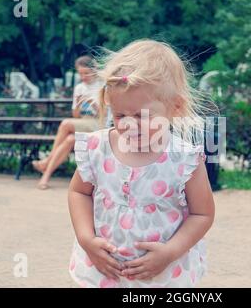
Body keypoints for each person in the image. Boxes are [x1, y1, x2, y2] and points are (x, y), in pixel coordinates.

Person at [67, 39, 216, 288]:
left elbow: (202, 213)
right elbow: (78, 192)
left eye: (141, 115)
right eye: (120, 115)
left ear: (175, 107)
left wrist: (170, 252)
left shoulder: (183, 158)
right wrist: (86, 239)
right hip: (105, 272)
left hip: (163, 276)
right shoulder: (97, 147)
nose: (128, 124)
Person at [32, 56, 111, 190]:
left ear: (94, 71)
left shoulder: (102, 85)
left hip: (100, 124)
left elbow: (105, 115)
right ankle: (45, 176)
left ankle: (47, 161)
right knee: (70, 139)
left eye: (86, 73)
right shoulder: (79, 87)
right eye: (80, 73)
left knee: (65, 124)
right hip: (85, 122)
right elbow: (76, 116)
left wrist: (93, 104)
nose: (83, 76)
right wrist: (79, 105)